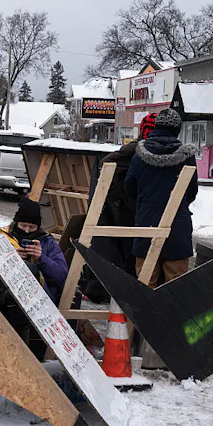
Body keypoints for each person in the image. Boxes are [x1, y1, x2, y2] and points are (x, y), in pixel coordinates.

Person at [82, 113, 157, 302]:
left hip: (128, 206)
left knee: (124, 249)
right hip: (125, 207)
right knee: (124, 250)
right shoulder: (135, 150)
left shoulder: (144, 150)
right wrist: (122, 194)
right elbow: (107, 163)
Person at [125, 108, 198, 288]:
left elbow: (129, 188)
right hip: (177, 230)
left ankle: (143, 318)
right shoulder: (186, 158)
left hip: (145, 227)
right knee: (175, 290)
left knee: (145, 287)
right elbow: (192, 192)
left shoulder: (138, 156)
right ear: (177, 130)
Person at [0, 197, 68, 358]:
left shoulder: (47, 243)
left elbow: (61, 276)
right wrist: (8, 257)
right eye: (23, 225)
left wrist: (41, 259)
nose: (26, 230)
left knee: (30, 268)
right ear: (15, 223)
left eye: (31, 227)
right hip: (4, 301)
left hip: (38, 303)